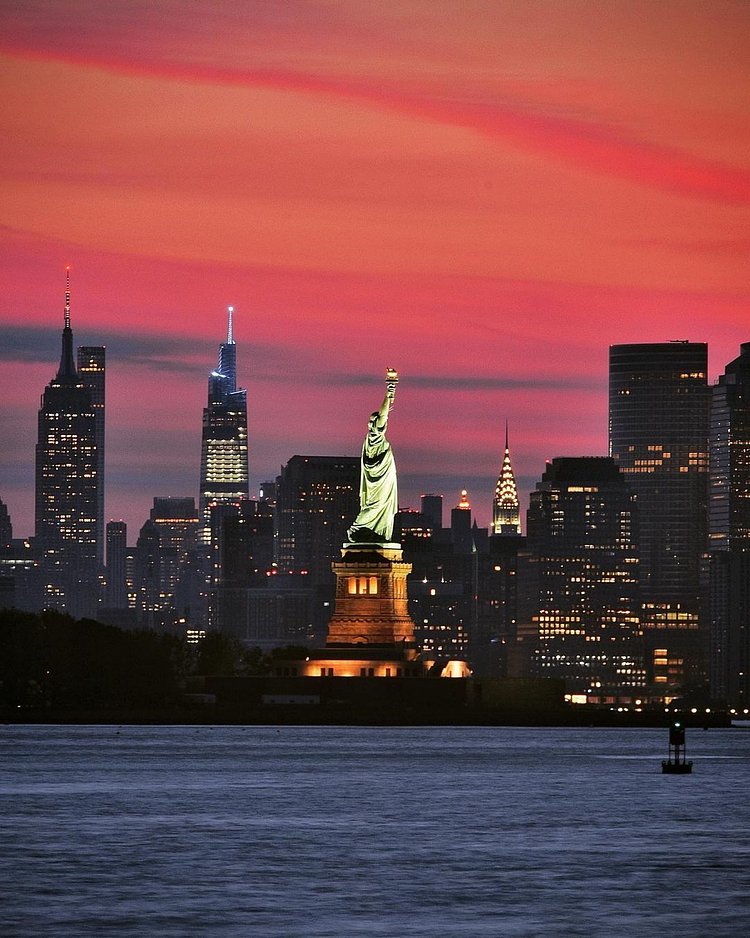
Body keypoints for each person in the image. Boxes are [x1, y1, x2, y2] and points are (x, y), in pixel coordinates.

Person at [347, 370, 398, 543]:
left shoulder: (376, 434)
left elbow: (383, 414)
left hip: (382, 480)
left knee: (379, 506)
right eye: (370, 422)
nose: (371, 424)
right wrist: (389, 392)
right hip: (374, 482)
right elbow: (383, 414)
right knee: (372, 506)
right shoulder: (371, 439)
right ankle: (358, 528)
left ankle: (367, 532)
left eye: (373, 421)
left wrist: (390, 392)